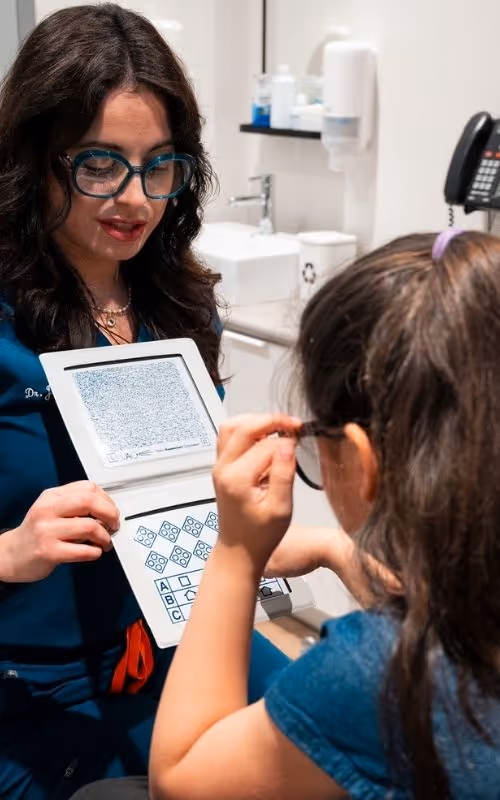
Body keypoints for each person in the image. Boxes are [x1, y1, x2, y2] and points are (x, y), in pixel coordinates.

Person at [74, 228, 500, 800]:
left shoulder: (374, 674)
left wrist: (236, 551)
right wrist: (335, 549)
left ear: (359, 458)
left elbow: (179, 781)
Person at [0, 5, 290, 799]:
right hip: (37, 688)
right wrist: (9, 554)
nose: (135, 197)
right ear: (37, 160)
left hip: (175, 635)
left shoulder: (175, 302)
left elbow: (187, 511)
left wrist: (313, 547)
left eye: (160, 165)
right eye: (100, 164)